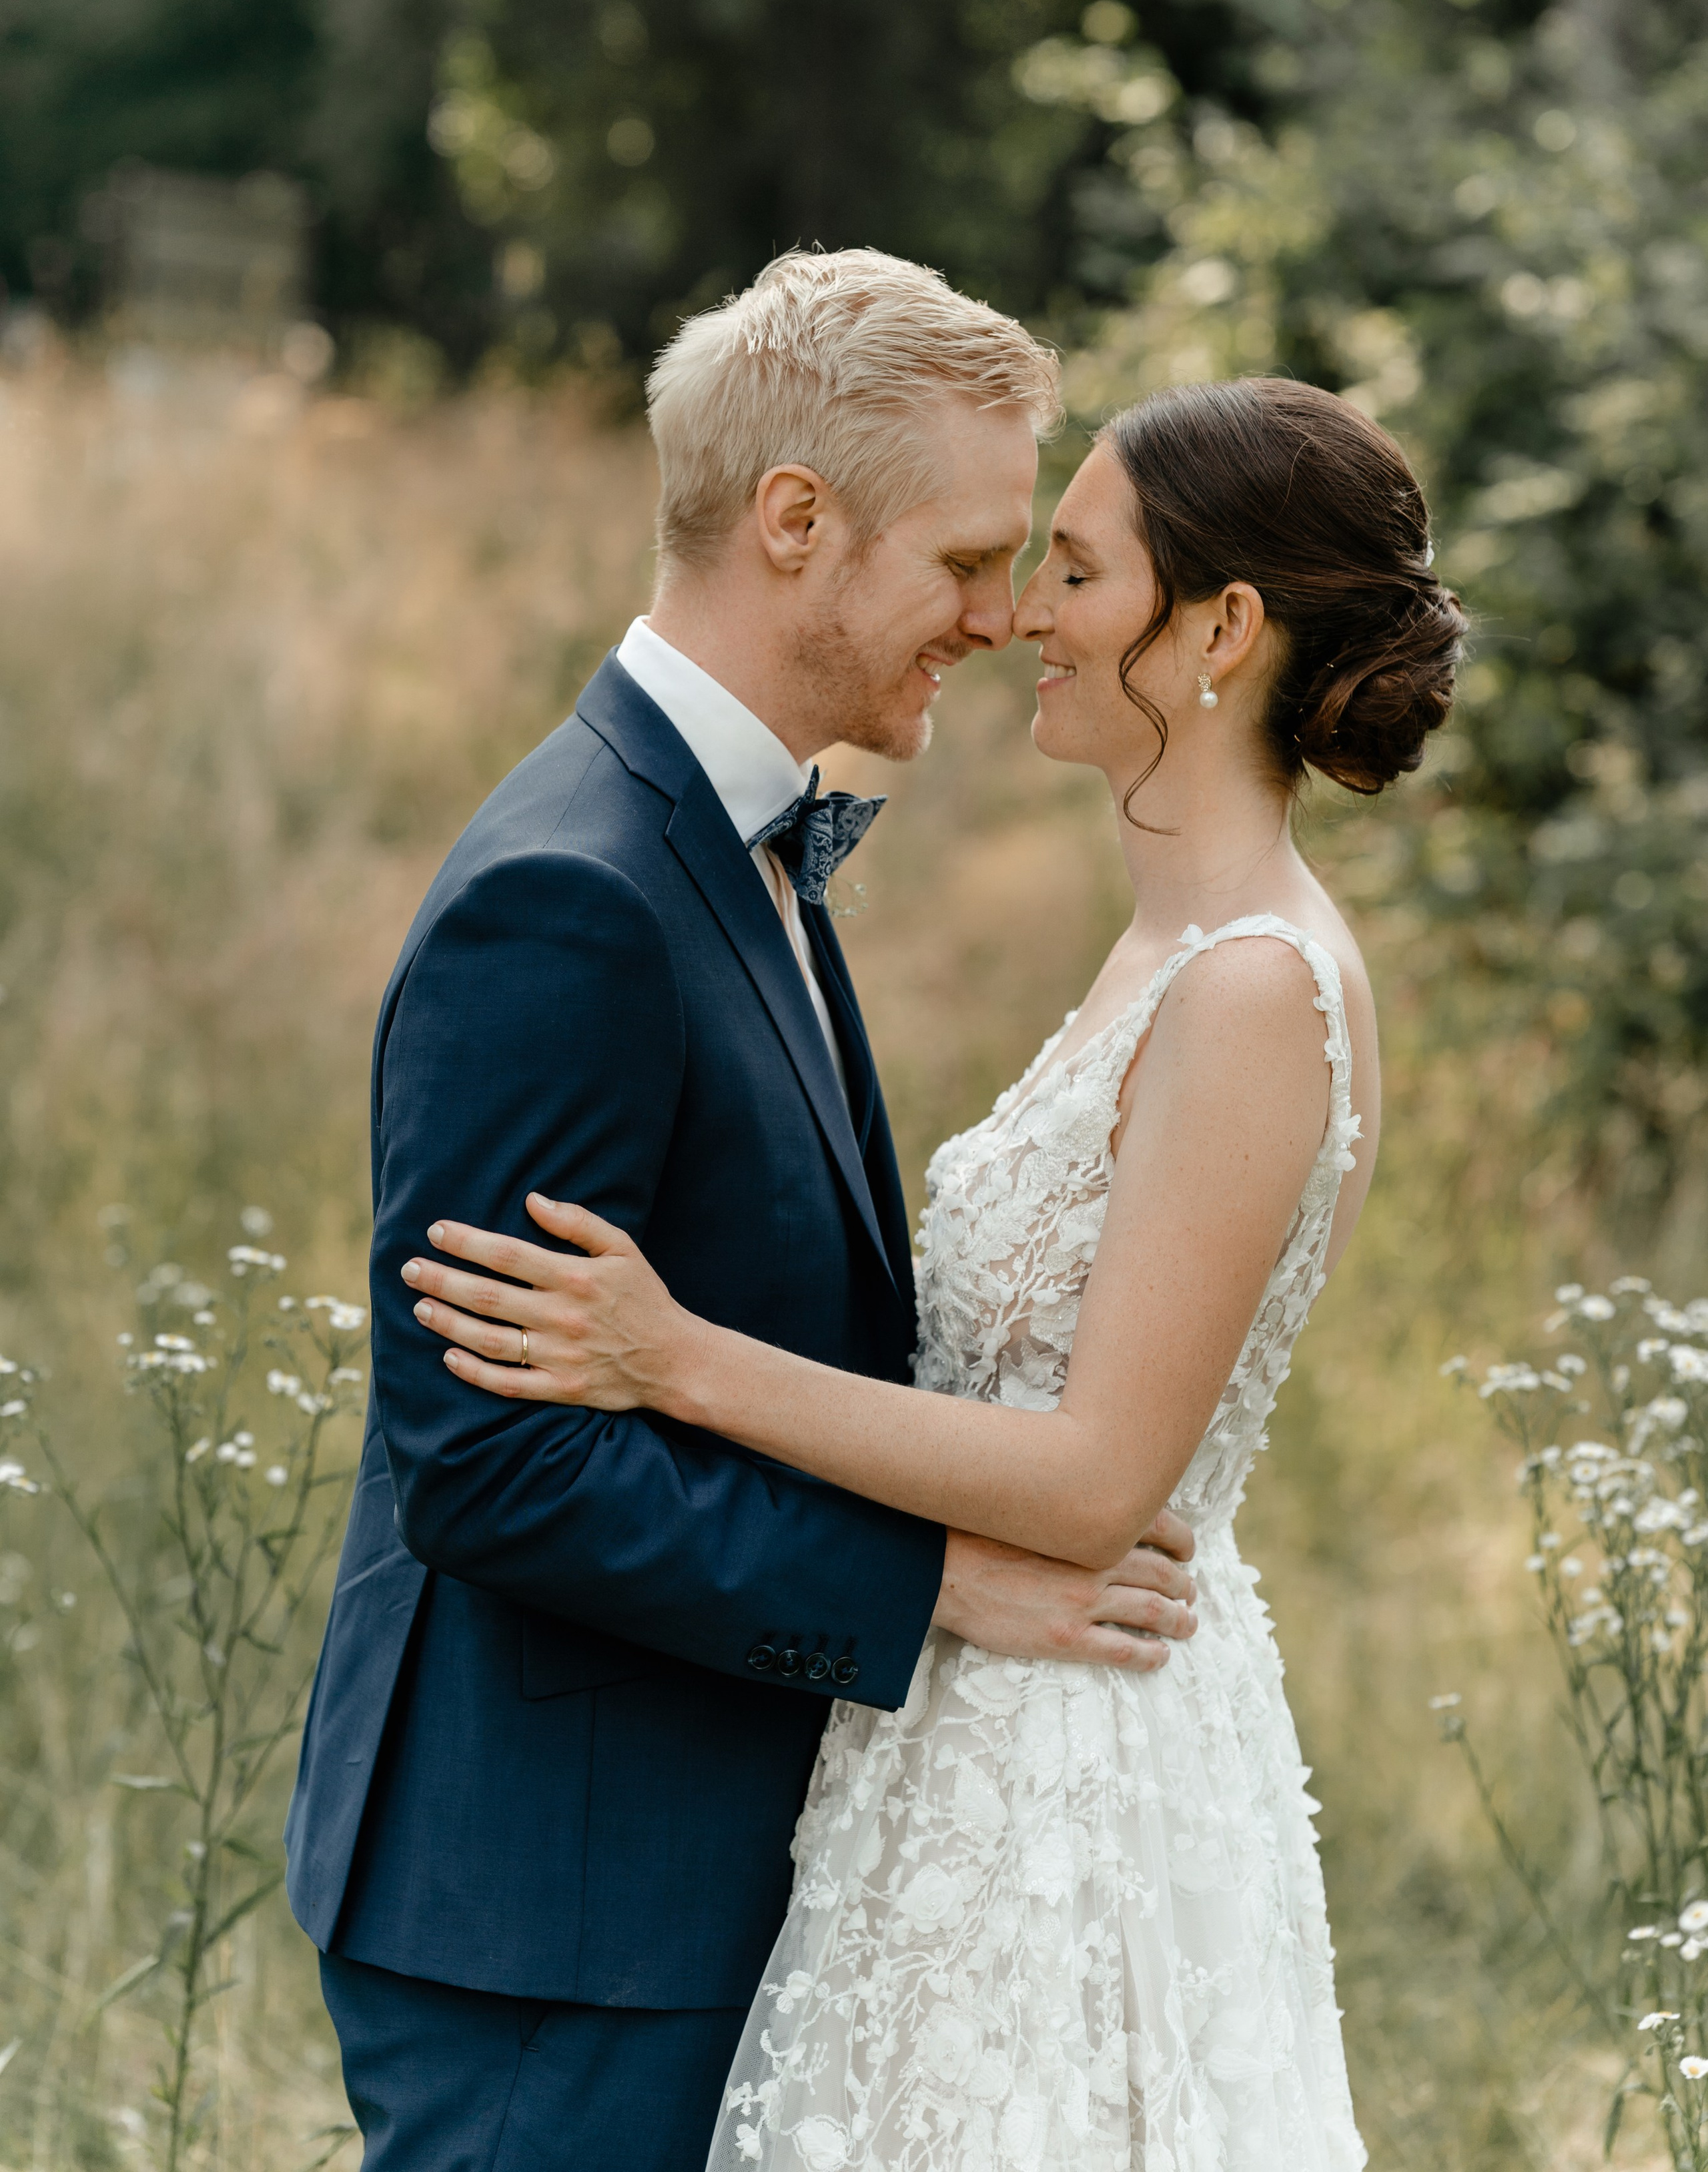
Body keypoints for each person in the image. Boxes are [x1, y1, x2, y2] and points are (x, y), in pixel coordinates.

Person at [410, 375, 1468, 2170]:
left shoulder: (1250, 987)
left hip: (1068, 1764)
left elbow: (1098, 1476)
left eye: (1071, 570)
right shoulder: (1172, 945)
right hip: (963, 1722)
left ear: (1220, 627)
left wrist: (674, 1359)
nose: (1021, 620)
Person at [284, 250, 1202, 2171]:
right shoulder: (575, 893)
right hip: (555, 1896)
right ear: (796, 520)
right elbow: (490, 1465)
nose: (1000, 609)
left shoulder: (736, 837)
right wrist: (950, 1591)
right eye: (965, 559)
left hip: (668, 1855)